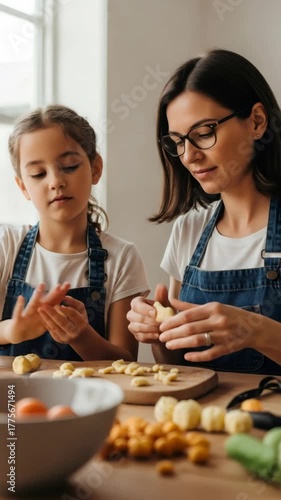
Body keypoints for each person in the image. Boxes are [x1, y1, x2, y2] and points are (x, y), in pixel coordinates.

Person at [127, 48, 281, 374]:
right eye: (178, 141)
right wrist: (158, 332)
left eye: (203, 133)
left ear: (256, 121)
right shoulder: (189, 230)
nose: (189, 156)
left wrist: (254, 330)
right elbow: (177, 366)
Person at [0, 104, 150, 361]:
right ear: (23, 186)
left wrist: (81, 335)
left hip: (88, 401)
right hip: (13, 398)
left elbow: (125, 363)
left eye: (69, 166)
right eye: (38, 173)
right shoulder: (6, 244)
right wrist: (12, 330)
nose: (55, 181)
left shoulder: (122, 257)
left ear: (95, 168)